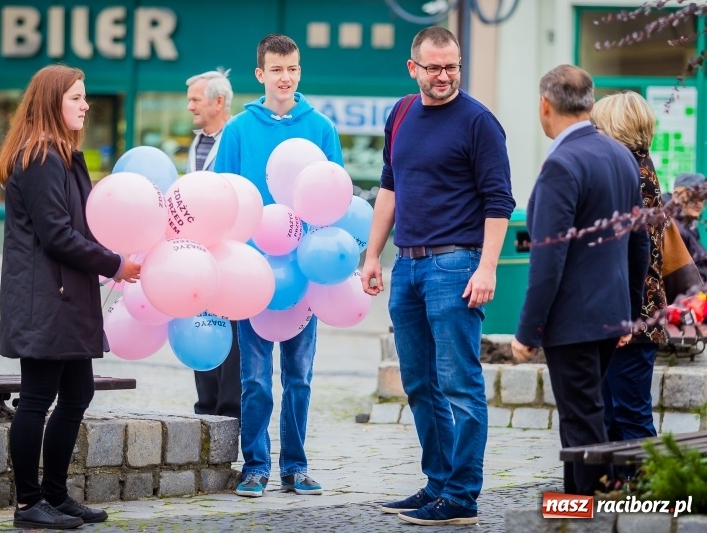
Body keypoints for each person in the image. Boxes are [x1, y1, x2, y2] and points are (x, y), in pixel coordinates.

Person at [361, 26, 515, 526]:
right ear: (414, 68)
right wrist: (372, 256)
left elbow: (499, 202)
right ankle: (438, 486)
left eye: (452, 66)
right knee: (420, 384)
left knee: (459, 385)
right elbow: (390, 187)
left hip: (456, 265)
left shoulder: (479, 122)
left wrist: (487, 266)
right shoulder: (401, 113)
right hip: (406, 266)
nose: (444, 75)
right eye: (434, 67)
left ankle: (463, 496)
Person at [0, 64, 141, 530]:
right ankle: (28, 505)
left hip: (67, 295)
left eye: (85, 97)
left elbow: (83, 224)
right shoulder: (40, 156)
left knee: (77, 392)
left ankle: (55, 496)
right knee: (37, 397)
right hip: (44, 297)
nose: (85, 104)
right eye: (76, 97)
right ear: (53, 101)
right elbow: (57, 235)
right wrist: (116, 265)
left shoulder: (63, 155)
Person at [214, 34, 342, 499]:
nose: (285, 77)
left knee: (299, 376)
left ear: (299, 72)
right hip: (251, 272)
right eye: (276, 69)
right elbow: (222, 195)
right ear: (260, 74)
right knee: (253, 378)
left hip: (304, 274)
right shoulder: (238, 131)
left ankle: (296, 466)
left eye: (292, 69)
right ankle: (255, 466)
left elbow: (336, 198)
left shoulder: (321, 129)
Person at [511, 65, 650, 496]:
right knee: (586, 414)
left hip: (573, 321)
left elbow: (548, 258)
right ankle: (577, 506)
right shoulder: (621, 156)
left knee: (581, 421)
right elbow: (638, 242)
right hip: (610, 317)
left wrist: (527, 331)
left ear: (544, 105)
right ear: (590, 104)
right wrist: (628, 313)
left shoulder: (562, 163)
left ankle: (580, 510)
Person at [590, 92, 665, 446]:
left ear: (616, 127)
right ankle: (616, 488)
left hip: (632, 310)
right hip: (632, 308)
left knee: (630, 413)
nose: (593, 132)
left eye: (598, 124)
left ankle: (649, 494)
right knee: (614, 411)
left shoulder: (629, 172)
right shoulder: (639, 166)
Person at [185, 69, 241, 419]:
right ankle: (205, 407)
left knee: (229, 333)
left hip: (229, 254)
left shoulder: (235, 138)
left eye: (195, 99)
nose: (189, 105)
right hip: (195, 254)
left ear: (218, 102)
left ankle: (229, 411)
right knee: (198, 326)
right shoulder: (196, 141)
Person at [667, 172, 707, 282]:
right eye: (693, 195)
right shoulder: (673, 228)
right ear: (675, 196)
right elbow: (684, 280)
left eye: (702, 197)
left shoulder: (689, 227)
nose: (699, 202)